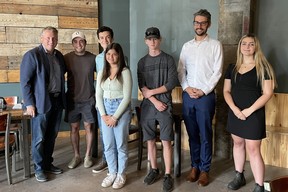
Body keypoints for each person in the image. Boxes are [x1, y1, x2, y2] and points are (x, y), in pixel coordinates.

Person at [223, 34, 276, 192]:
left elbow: (267, 93)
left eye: (251, 44)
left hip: (253, 113)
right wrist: (234, 109)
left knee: (253, 149)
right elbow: (226, 91)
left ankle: (259, 186)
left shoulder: (263, 67)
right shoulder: (232, 67)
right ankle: (239, 176)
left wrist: (249, 111)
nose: (247, 47)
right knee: (238, 144)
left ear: (256, 47)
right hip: (235, 112)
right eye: (244, 44)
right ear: (240, 46)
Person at [177, 9, 223, 187]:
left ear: (208, 24)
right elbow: (181, 70)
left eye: (203, 22)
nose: (199, 25)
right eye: (196, 22)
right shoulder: (187, 46)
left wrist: (203, 91)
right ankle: (194, 166)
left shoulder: (215, 45)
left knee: (205, 134)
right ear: (193, 24)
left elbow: (217, 72)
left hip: (205, 97)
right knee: (192, 134)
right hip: (188, 95)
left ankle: (205, 170)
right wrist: (187, 88)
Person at [20, 26, 66, 182]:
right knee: (39, 138)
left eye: (53, 38)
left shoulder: (59, 56)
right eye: (47, 38)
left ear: (57, 40)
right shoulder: (32, 55)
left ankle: (47, 164)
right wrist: (29, 104)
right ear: (41, 39)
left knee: (51, 136)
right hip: (40, 104)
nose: (51, 41)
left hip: (57, 101)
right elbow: (25, 83)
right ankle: (39, 169)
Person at [137, 27, 178, 192]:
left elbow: (171, 83)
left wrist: (152, 93)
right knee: (150, 140)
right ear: (146, 41)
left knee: (167, 140)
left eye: (155, 39)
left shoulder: (168, 59)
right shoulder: (142, 62)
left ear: (160, 40)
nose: (153, 42)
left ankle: (168, 174)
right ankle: (154, 169)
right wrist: (154, 100)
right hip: (149, 105)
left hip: (165, 103)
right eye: (150, 39)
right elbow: (142, 86)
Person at [96, 43, 132, 189]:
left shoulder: (125, 72)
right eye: (108, 54)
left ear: (119, 55)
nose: (111, 57)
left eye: (114, 54)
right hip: (105, 108)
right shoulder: (102, 72)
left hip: (120, 111)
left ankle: (121, 174)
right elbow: (98, 94)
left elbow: (127, 97)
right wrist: (104, 115)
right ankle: (112, 173)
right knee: (108, 145)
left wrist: (115, 117)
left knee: (121, 145)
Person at [64, 31, 97, 169]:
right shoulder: (66, 58)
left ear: (85, 42)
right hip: (72, 99)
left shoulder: (93, 58)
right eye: (75, 41)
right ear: (72, 44)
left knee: (89, 127)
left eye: (81, 41)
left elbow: (103, 76)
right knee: (74, 128)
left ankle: (88, 156)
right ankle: (77, 156)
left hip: (88, 99)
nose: (79, 44)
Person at [92, 26, 114, 173]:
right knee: (103, 133)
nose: (105, 40)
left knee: (116, 132)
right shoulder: (98, 58)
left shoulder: (120, 56)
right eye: (101, 38)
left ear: (112, 38)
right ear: (99, 41)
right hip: (102, 101)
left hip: (116, 101)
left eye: (107, 37)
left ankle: (116, 162)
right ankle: (106, 160)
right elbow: (99, 83)